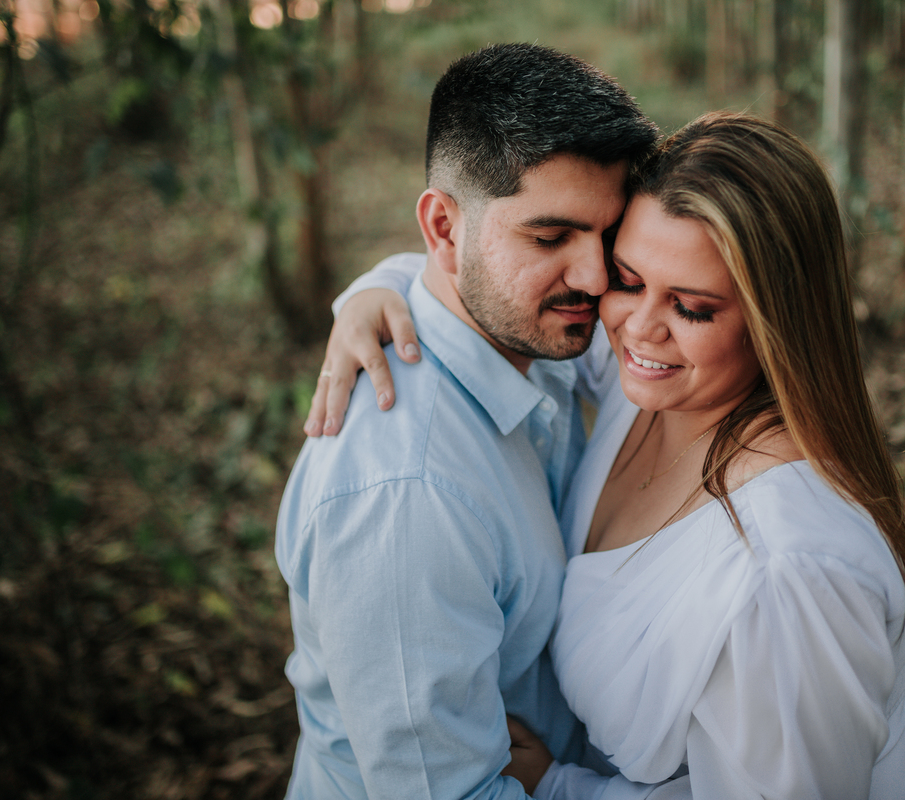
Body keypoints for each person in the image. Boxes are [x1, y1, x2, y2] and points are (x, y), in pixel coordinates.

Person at [310, 112, 905, 799]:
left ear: (777, 322)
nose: (637, 327)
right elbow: (499, 282)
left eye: (692, 308)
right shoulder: (645, 385)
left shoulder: (788, 573)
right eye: (627, 278)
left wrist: (557, 786)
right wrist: (382, 290)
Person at [275, 43, 658, 799]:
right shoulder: (409, 497)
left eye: (607, 236)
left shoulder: (530, 329)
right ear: (444, 229)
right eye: (550, 237)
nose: (594, 278)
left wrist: (379, 282)